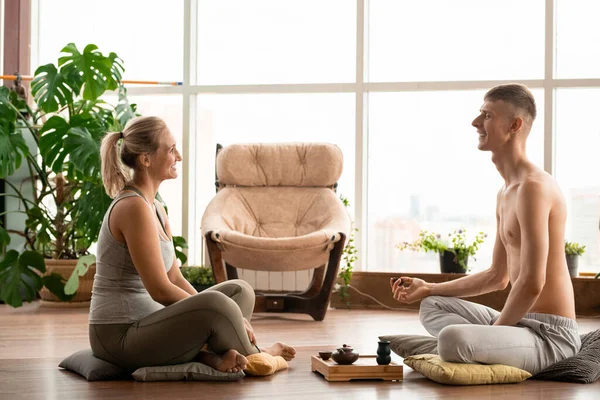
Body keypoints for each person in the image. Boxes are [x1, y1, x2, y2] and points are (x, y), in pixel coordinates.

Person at [390, 84, 580, 375]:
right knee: (431, 305)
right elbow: (497, 276)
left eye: (487, 115)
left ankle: (463, 348)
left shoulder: (534, 189)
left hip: (551, 337)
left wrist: (497, 332)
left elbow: (532, 282)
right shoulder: (506, 192)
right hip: (520, 325)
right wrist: (429, 286)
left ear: (514, 125)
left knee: (452, 339)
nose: (476, 122)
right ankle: (473, 347)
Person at [90, 116, 295, 373]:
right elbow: (160, 290)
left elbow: (174, 276)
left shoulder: (155, 207)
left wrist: (221, 310)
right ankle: (259, 356)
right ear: (145, 159)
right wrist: (219, 311)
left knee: (239, 292)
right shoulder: (132, 207)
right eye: (171, 149)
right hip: (120, 336)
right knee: (218, 304)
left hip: (149, 324)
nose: (179, 156)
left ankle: (213, 356)